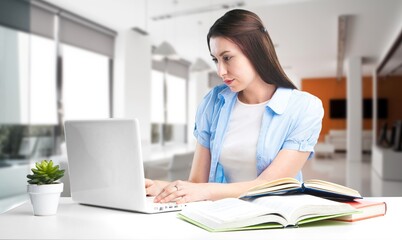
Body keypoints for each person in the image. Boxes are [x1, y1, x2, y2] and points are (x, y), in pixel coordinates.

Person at [146, 9, 324, 204]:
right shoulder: (213, 102)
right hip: (220, 217)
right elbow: (197, 183)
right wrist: (162, 187)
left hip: (273, 218)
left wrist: (205, 191)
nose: (220, 71)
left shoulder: (306, 108)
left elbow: (270, 184)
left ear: (256, 52)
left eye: (227, 58)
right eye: (216, 60)